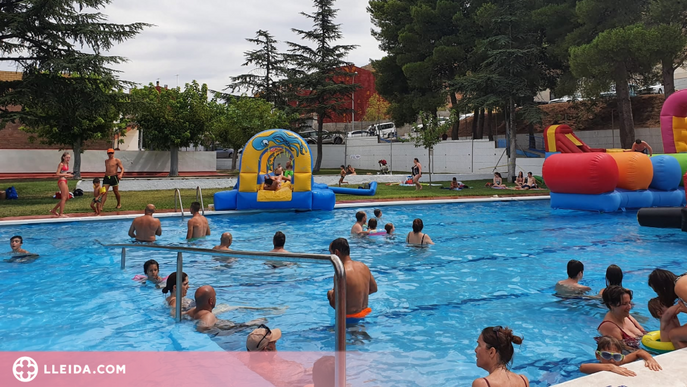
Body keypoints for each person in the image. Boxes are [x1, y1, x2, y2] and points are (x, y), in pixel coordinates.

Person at [326, 238, 377, 318]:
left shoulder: (340, 273)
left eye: (331, 253)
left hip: (349, 318)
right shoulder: (363, 266)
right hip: (365, 313)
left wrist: (330, 294)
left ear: (336, 252)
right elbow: (374, 289)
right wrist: (357, 295)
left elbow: (336, 305)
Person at [579, 336, 661, 376]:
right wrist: (610, 367)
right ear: (598, 355)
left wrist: (650, 359)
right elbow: (582, 367)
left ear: (621, 357)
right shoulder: (599, 365)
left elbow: (639, 352)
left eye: (616, 356)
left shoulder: (621, 361)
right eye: (606, 355)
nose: (611, 360)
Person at [597, 286, 647, 351]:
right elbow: (625, 350)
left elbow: (645, 333)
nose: (629, 307)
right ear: (611, 305)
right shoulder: (609, 326)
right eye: (624, 304)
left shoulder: (627, 316)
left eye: (629, 302)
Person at [50, 151, 73, 217]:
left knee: (67, 197)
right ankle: (61, 213)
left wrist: (69, 174)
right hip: (61, 180)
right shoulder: (61, 164)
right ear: (63, 157)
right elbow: (57, 174)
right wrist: (67, 174)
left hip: (65, 180)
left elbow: (64, 172)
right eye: (67, 157)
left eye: (69, 157)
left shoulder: (67, 164)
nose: (68, 159)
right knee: (64, 197)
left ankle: (54, 210)